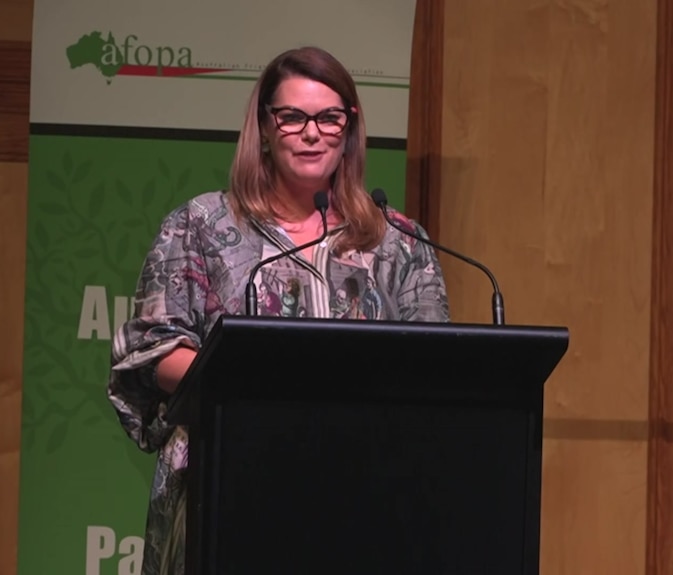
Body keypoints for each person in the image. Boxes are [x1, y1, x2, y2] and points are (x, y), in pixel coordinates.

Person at [107, 45, 450, 575]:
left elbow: (436, 366)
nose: (312, 133)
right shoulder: (201, 225)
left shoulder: (397, 241)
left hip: (364, 490)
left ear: (350, 127)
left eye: (329, 117)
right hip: (229, 481)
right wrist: (253, 381)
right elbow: (154, 350)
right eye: (292, 117)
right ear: (265, 127)